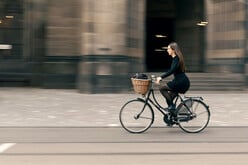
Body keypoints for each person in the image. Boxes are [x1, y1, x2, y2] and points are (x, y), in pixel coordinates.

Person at [156, 42, 190, 111]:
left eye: (168, 49)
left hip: (181, 82)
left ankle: (172, 107)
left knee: (162, 88)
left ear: (173, 50)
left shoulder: (177, 59)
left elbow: (172, 70)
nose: (167, 50)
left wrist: (161, 77)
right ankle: (173, 114)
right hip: (179, 81)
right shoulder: (175, 59)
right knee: (169, 98)